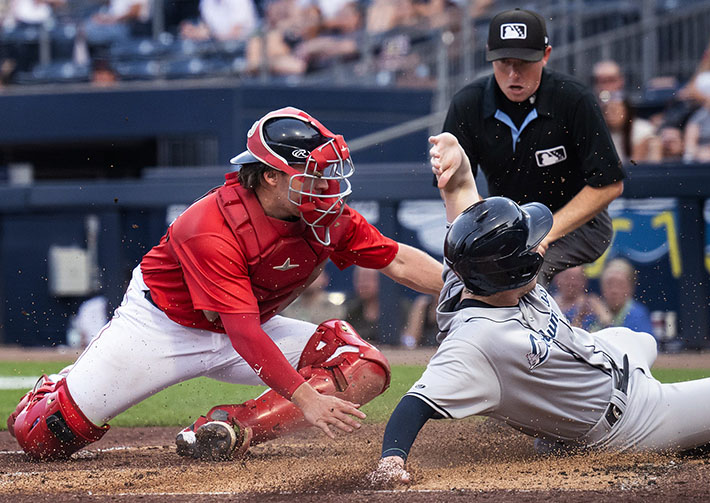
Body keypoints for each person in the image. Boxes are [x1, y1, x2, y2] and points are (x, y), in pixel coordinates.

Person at [7, 107, 444, 462]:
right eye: (313, 175)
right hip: (164, 326)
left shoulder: (325, 214)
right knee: (45, 437)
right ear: (271, 175)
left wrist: (468, 288)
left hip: (248, 325)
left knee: (363, 365)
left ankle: (231, 428)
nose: (327, 185)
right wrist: (308, 400)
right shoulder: (210, 226)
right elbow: (243, 332)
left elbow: (399, 260)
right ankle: (59, 388)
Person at [366, 132, 710, 487]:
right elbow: (414, 405)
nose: (540, 243)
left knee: (639, 339)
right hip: (632, 421)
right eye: (531, 244)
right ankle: (675, 437)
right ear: (517, 267)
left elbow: (464, 197)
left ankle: (580, 426)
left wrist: (456, 157)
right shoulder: (475, 342)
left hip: (608, 357)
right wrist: (391, 461)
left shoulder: (471, 272)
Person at [441, 8, 625, 288]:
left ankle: (548, 332)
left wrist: (544, 234)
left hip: (580, 226)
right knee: (464, 281)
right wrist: (486, 234)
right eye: (504, 61)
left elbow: (610, 184)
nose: (514, 73)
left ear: (546, 55)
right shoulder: (468, 104)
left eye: (525, 62)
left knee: (522, 274)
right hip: (509, 226)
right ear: (489, 54)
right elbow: (453, 187)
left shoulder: (574, 99)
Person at [598, 258, 652, 334]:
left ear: (630, 288)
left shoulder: (637, 315)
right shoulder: (593, 311)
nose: (614, 290)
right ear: (602, 286)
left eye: (620, 284)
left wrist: (606, 321)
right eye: (609, 283)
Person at [551, 266, 609, 332]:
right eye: (566, 278)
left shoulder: (593, 304)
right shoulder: (549, 302)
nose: (571, 283)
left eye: (576, 279)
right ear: (557, 279)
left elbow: (607, 324)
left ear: (584, 281)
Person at [280, 268, 344, 324]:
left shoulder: (336, 309)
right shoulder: (285, 309)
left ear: (325, 279)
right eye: (305, 275)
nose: (309, 279)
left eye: (314, 275)